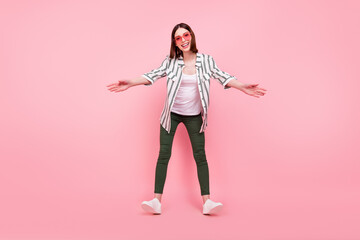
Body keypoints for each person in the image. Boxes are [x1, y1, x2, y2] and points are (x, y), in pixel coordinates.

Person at [107, 23, 267, 215]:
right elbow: (153, 75)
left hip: (195, 117)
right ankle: (156, 201)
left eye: (185, 35)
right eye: (178, 38)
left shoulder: (206, 61)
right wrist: (130, 83)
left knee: (200, 156)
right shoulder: (171, 61)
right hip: (171, 115)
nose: (183, 40)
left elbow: (223, 77)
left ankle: (207, 202)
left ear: (191, 36)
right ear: (174, 43)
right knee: (163, 155)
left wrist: (242, 86)